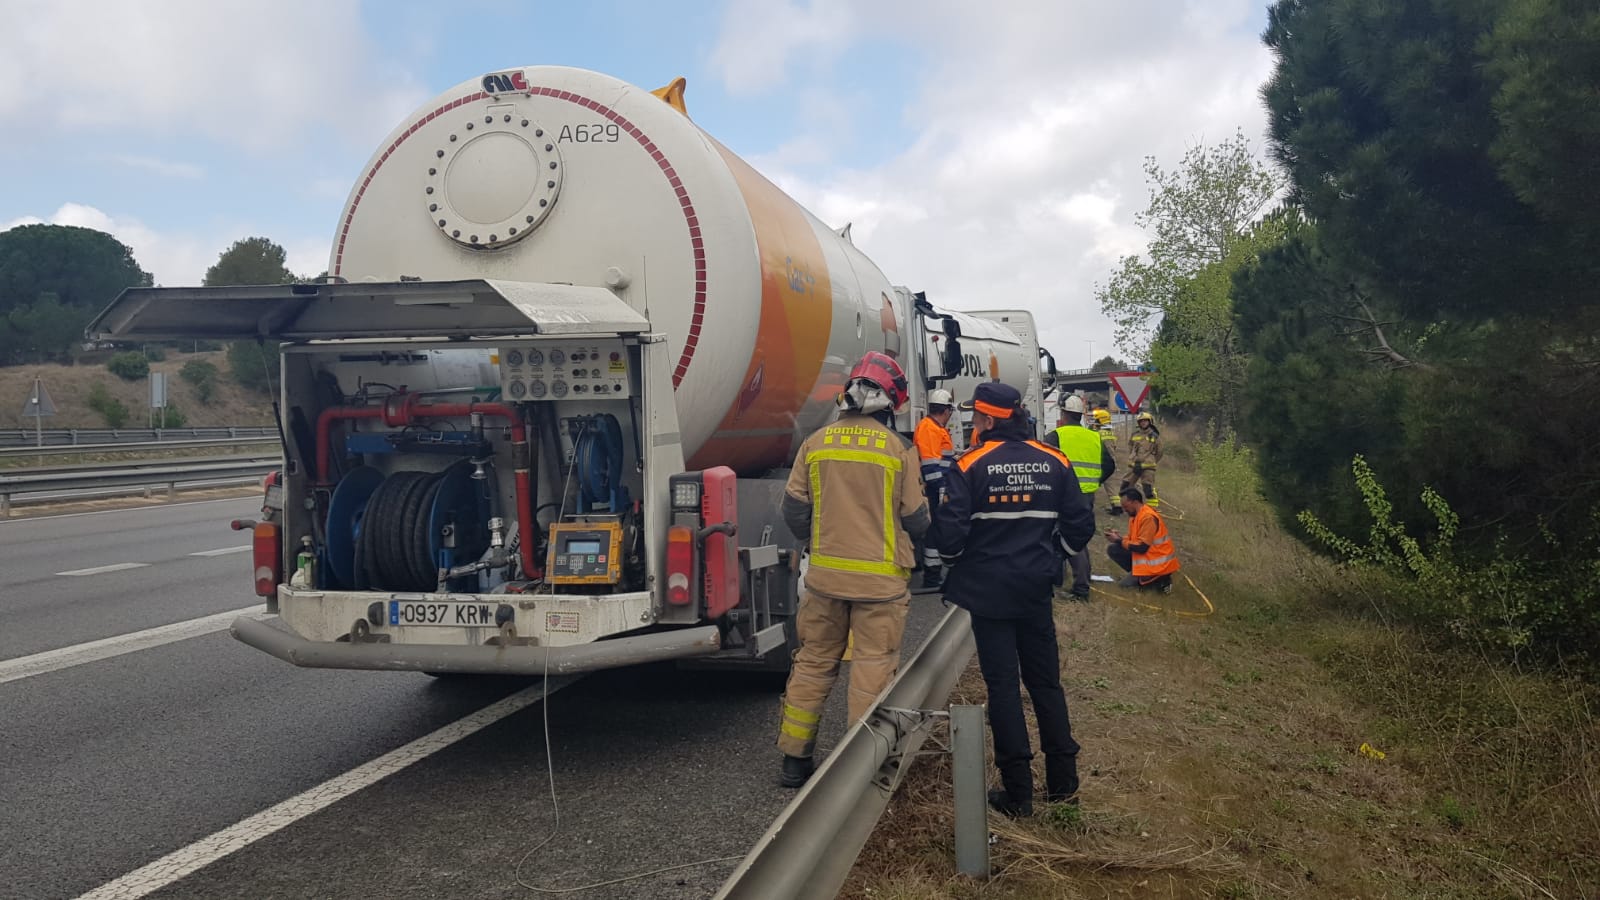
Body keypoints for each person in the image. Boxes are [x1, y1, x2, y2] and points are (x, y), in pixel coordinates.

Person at [931, 382, 1096, 817]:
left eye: (975, 418)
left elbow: (949, 537)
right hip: (1035, 589)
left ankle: (1018, 793)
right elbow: (1080, 527)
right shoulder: (1055, 460)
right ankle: (1064, 784)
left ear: (987, 420)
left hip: (989, 594)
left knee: (1003, 687)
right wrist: (1053, 557)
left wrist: (959, 562)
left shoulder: (969, 465)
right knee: (1045, 683)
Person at [776, 351, 930, 788]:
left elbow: (794, 509)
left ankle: (794, 760)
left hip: (824, 580)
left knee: (813, 662)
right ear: (893, 402)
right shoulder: (899, 450)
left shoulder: (816, 443)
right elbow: (916, 518)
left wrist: (819, 542)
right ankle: (859, 767)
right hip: (880, 584)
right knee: (872, 668)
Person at [1052, 395, 1116, 600]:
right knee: (1079, 537)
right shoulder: (1094, 437)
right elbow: (1109, 466)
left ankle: (1076, 587)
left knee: (1061, 534)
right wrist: (1094, 482)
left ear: (1063, 414)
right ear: (1080, 415)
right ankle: (1082, 581)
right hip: (1086, 494)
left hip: (1063, 495)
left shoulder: (1055, 436)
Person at [913, 389, 957, 590]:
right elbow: (930, 465)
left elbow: (942, 459)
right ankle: (931, 576)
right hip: (933, 489)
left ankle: (934, 573)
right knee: (934, 532)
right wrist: (940, 490)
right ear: (946, 410)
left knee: (937, 531)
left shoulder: (934, 428)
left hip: (937, 487)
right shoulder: (929, 428)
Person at [1104, 488, 1180, 593]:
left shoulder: (1148, 517)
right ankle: (1139, 576)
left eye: (1126, 506)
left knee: (1124, 587)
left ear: (1135, 502)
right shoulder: (1135, 516)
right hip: (1147, 559)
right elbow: (1134, 540)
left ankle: (1160, 581)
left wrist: (1118, 540)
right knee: (1114, 549)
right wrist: (1118, 537)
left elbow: (1141, 548)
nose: (1124, 510)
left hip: (1158, 566)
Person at [1119, 410, 1162, 508]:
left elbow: (1160, 452)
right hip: (1133, 466)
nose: (1143, 423)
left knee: (1148, 489)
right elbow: (1130, 447)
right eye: (1141, 421)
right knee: (1125, 487)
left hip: (1148, 467)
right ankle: (1129, 507)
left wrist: (1151, 461)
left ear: (1149, 422)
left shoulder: (1154, 436)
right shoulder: (1135, 435)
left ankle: (1152, 510)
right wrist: (1132, 458)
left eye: (1145, 421)